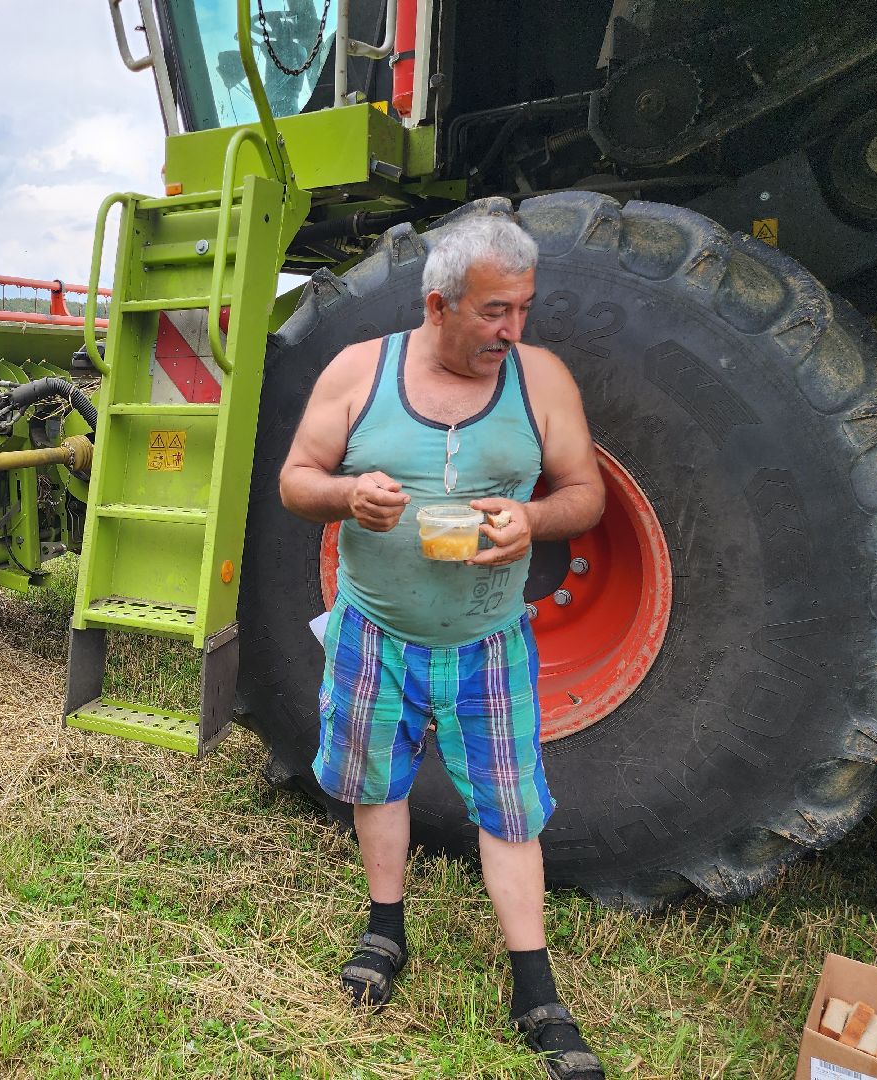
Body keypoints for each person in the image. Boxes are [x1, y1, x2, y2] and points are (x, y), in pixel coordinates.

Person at [279, 213, 607, 1078]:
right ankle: (385, 928)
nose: (514, 330)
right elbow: (295, 481)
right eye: (496, 312)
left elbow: (587, 494)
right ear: (438, 304)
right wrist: (350, 495)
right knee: (375, 782)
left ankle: (534, 986)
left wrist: (532, 518)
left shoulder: (540, 381)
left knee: (509, 805)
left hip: (488, 641)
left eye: (524, 309)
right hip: (373, 633)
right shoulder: (360, 371)